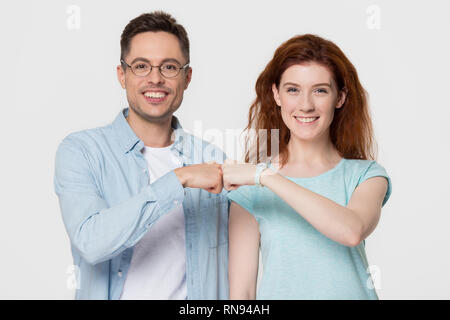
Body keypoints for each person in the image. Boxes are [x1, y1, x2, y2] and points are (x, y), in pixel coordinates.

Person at [54, 11, 229, 300]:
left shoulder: (212, 157)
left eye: (169, 67)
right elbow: (92, 242)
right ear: (122, 75)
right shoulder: (81, 151)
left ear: (187, 78)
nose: (155, 79)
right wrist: (178, 179)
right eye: (141, 66)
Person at [222, 34, 392, 300]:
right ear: (276, 94)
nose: (306, 105)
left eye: (320, 90)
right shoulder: (249, 189)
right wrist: (260, 177)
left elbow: (351, 230)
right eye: (293, 90)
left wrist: (266, 176)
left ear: (340, 97)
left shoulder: (367, 175)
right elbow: (241, 294)